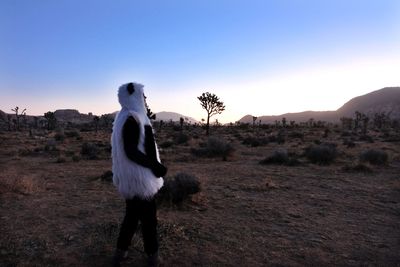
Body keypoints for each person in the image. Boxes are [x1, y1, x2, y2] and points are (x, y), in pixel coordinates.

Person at [111, 82, 167, 267]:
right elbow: (131, 151)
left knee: (132, 217)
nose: (145, 99)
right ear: (133, 95)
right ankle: (152, 256)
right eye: (142, 95)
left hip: (132, 178)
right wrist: (155, 167)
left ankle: (120, 253)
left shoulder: (124, 117)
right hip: (140, 178)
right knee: (149, 220)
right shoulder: (132, 118)